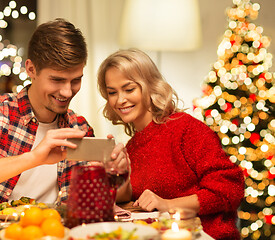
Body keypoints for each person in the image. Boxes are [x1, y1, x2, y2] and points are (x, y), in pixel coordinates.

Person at [0, 18, 125, 213]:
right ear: (31, 69)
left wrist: (117, 172)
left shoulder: (80, 129)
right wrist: (33, 158)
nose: (67, 91)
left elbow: (96, 203)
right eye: (57, 80)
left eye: (75, 80)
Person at [97, 48, 244, 240]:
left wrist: (168, 204)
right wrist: (118, 176)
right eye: (112, 92)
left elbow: (230, 188)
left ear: (148, 85)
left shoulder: (185, 128)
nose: (120, 100)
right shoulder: (132, 146)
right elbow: (134, 200)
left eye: (129, 89)